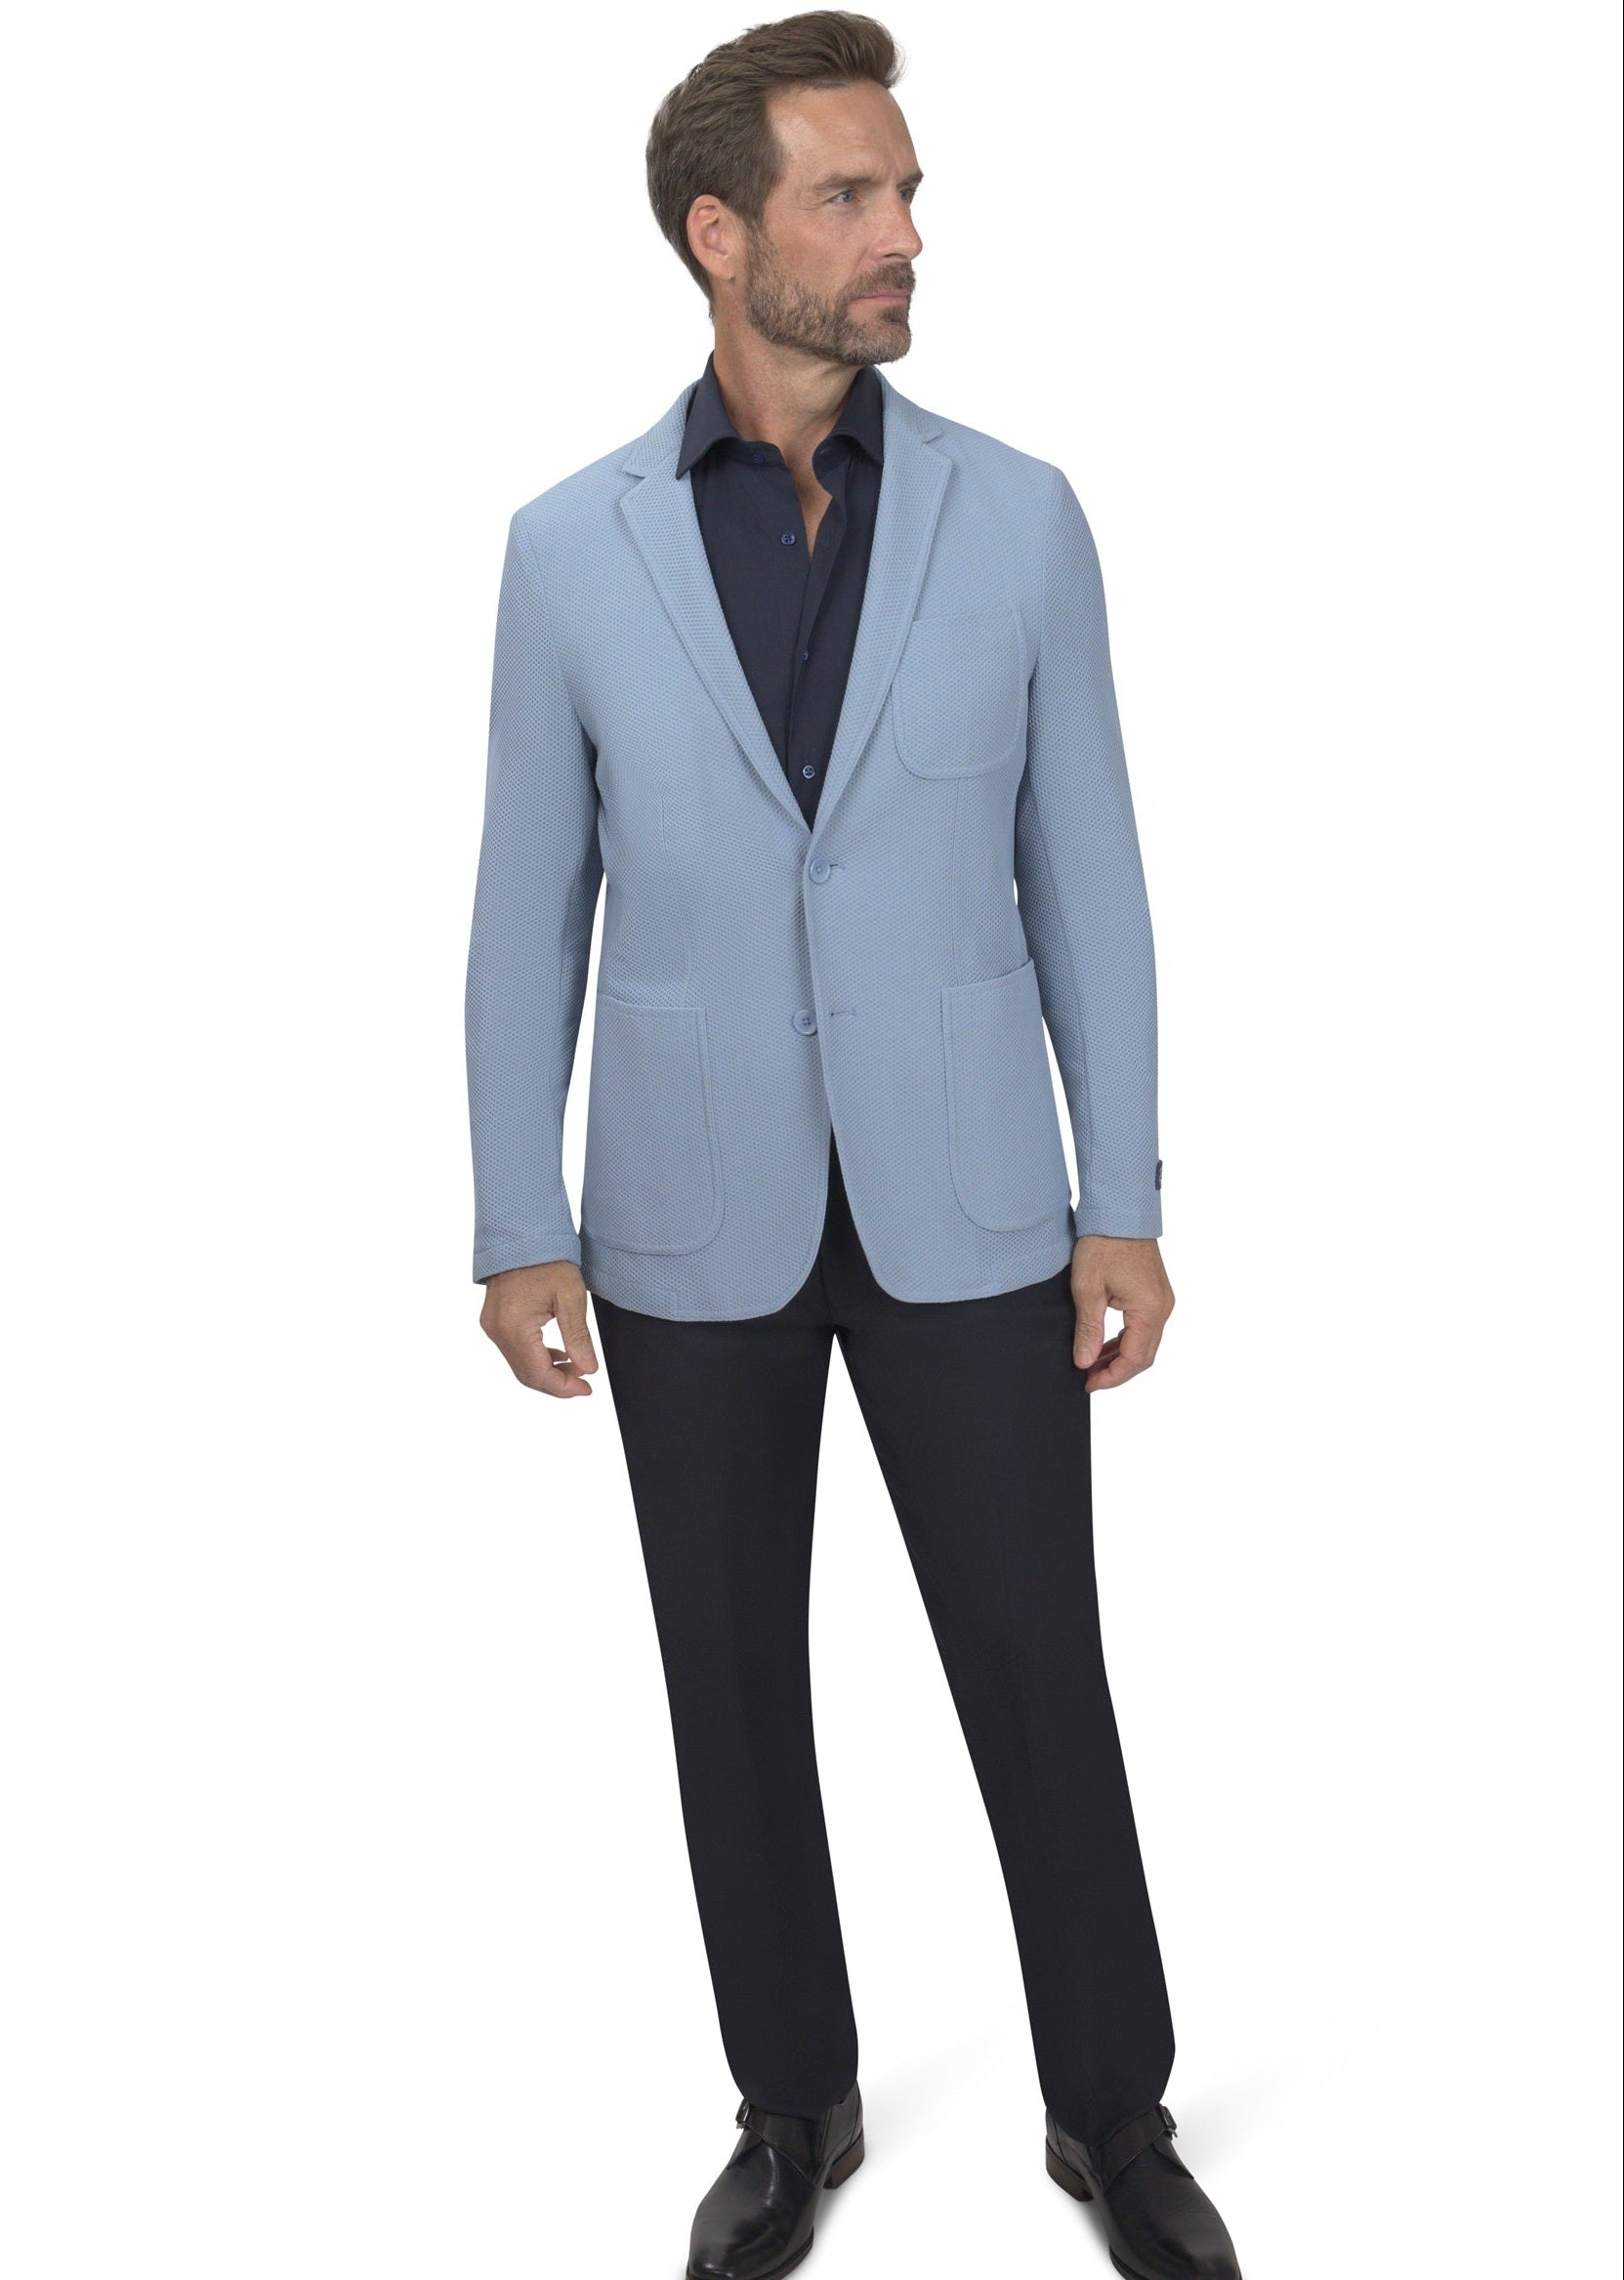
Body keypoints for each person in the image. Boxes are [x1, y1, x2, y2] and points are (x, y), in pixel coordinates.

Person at [464, 15, 1242, 2278]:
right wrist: (517, 1219)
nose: (903, 233)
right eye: (851, 195)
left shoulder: (1022, 514)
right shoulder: (567, 548)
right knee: (728, 1683)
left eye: (904, 192)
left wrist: (1123, 1195)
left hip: (973, 1203)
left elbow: (1089, 875)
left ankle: (1111, 2111)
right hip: (681, 1208)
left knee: (1035, 1665)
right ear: (721, 235)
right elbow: (528, 904)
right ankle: (791, 2100)